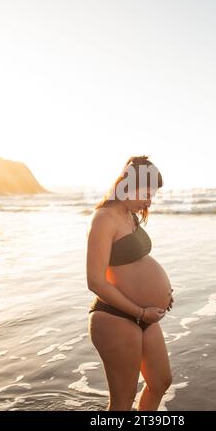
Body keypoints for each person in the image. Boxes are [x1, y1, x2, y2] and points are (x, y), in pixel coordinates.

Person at [86, 155, 174, 411]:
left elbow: (135, 267)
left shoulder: (130, 215)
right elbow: (94, 281)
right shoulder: (103, 218)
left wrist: (162, 293)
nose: (150, 200)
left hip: (144, 316)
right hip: (116, 317)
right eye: (147, 192)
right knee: (122, 402)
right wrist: (141, 311)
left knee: (160, 382)